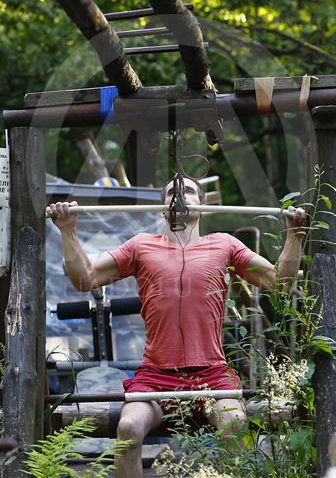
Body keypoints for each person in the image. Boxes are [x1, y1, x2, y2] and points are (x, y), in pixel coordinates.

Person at [46, 176, 307, 478]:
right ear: (162, 210)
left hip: (211, 374)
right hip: (156, 377)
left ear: (204, 208)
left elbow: (279, 282)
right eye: (173, 192)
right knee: (128, 429)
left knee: (234, 425)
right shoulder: (141, 245)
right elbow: (84, 279)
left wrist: (295, 235)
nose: (181, 197)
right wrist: (68, 229)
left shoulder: (224, 245)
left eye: (190, 192)